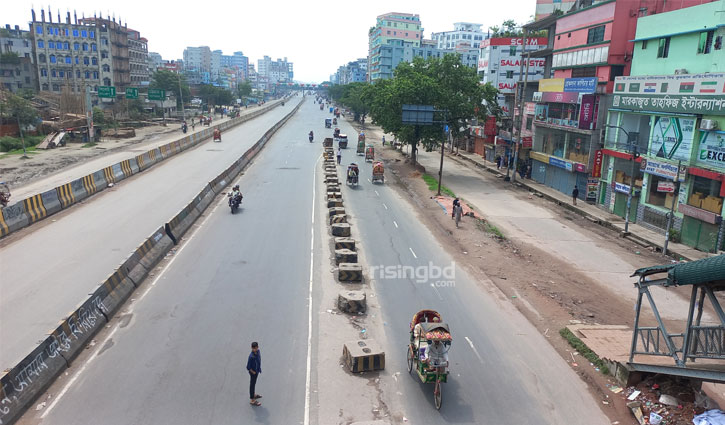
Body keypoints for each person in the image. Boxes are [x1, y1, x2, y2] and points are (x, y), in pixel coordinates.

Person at [247, 341, 262, 406]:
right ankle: (252, 400)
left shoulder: (258, 352)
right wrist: (253, 372)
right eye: (254, 348)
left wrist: (258, 369)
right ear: (251, 348)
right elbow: (248, 367)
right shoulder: (251, 357)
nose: (255, 349)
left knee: (254, 383)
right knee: (252, 385)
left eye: (256, 348)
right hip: (253, 373)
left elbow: (259, 360)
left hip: (257, 371)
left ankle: (253, 394)